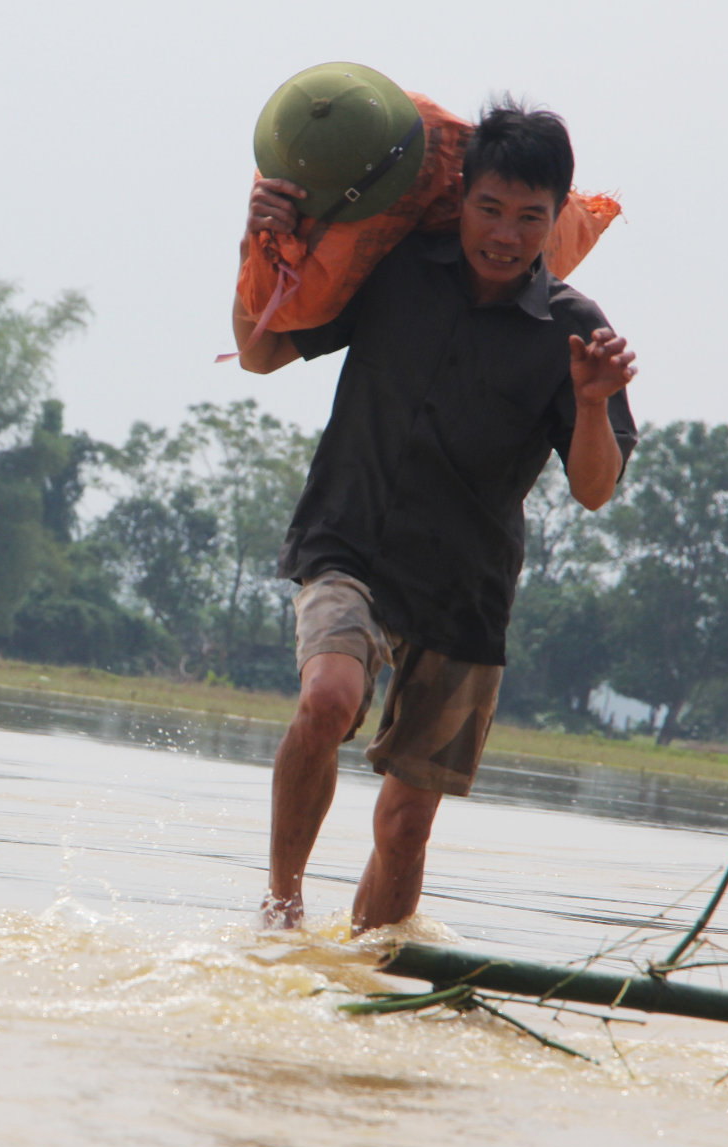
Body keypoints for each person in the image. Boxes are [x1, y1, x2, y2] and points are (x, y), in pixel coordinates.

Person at [233, 97, 639, 934]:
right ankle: (281, 910)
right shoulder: (395, 267)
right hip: (352, 540)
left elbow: (597, 488)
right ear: (462, 198)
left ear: (557, 216)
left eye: (530, 217)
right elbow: (262, 349)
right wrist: (259, 244)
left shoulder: (575, 331)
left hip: (466, 587)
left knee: (405, 825)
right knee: (326, 700)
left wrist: (594, 403)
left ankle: (367, 978)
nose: (504, 233)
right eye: (488, 208)